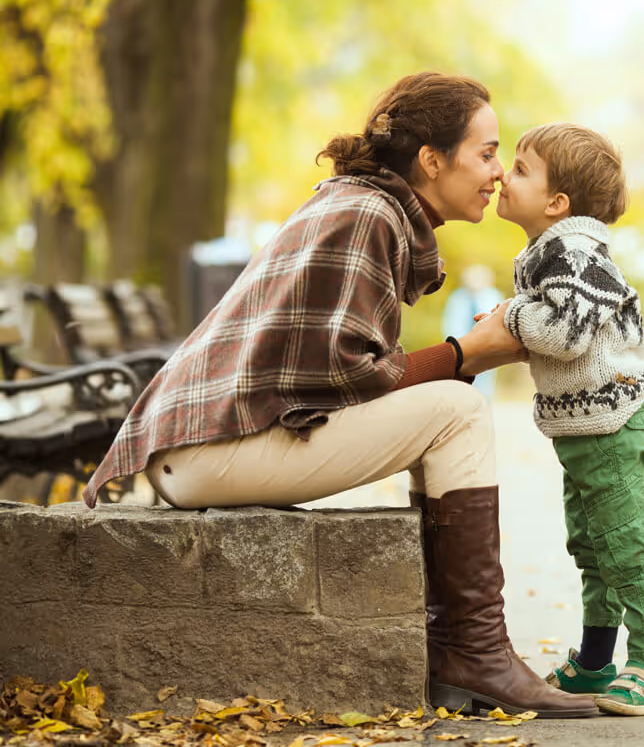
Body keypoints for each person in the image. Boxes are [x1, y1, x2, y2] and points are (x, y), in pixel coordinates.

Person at [81, 73, 598, 719]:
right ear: (432, 160)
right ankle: (474, 654)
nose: (497, 172)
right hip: (208, 452)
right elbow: (349, 377)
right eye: (487, 153)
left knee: (452, 406)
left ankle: (464, 652)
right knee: (461, 410)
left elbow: (336, 374)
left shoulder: (361, 203)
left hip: (203, 447)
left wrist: (465, 355)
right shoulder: (369, 214)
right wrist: (468, 354)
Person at [493, 123, 644, 716]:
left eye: (520, 169)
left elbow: (565, 335)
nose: (503, 175)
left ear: (557, 203)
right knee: (593, 548)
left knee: (627, 549)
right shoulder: (550, 252)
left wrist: (510, 316)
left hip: (615, 426)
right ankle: (596, 661)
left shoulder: (575, 254)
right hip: (585, 430)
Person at [441, 264, 504, 400]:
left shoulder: (492, 295)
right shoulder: (458, 297)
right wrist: (453, 345)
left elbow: (497, 320)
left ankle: (483, 401)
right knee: (462, 379)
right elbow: (451, 321)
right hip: (462, 345)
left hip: (488, 345)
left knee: (485, 380)